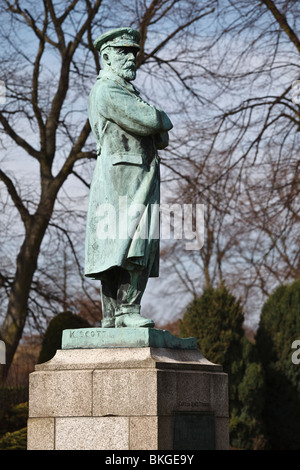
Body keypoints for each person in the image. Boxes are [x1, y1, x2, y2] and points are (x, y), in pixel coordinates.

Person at [85, 28, 173, 328]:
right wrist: (157, 118)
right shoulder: (109, 89)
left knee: (125, 245)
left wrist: (154, 122)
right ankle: (124, 312)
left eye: (133, 52)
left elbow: (161, 139)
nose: (131, 57)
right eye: (123, 52)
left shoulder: (124, 91)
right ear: (106, 56)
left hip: (133, 176)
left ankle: (114, 317)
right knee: (128, 245)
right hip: (125, 180)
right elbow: (152, 121)